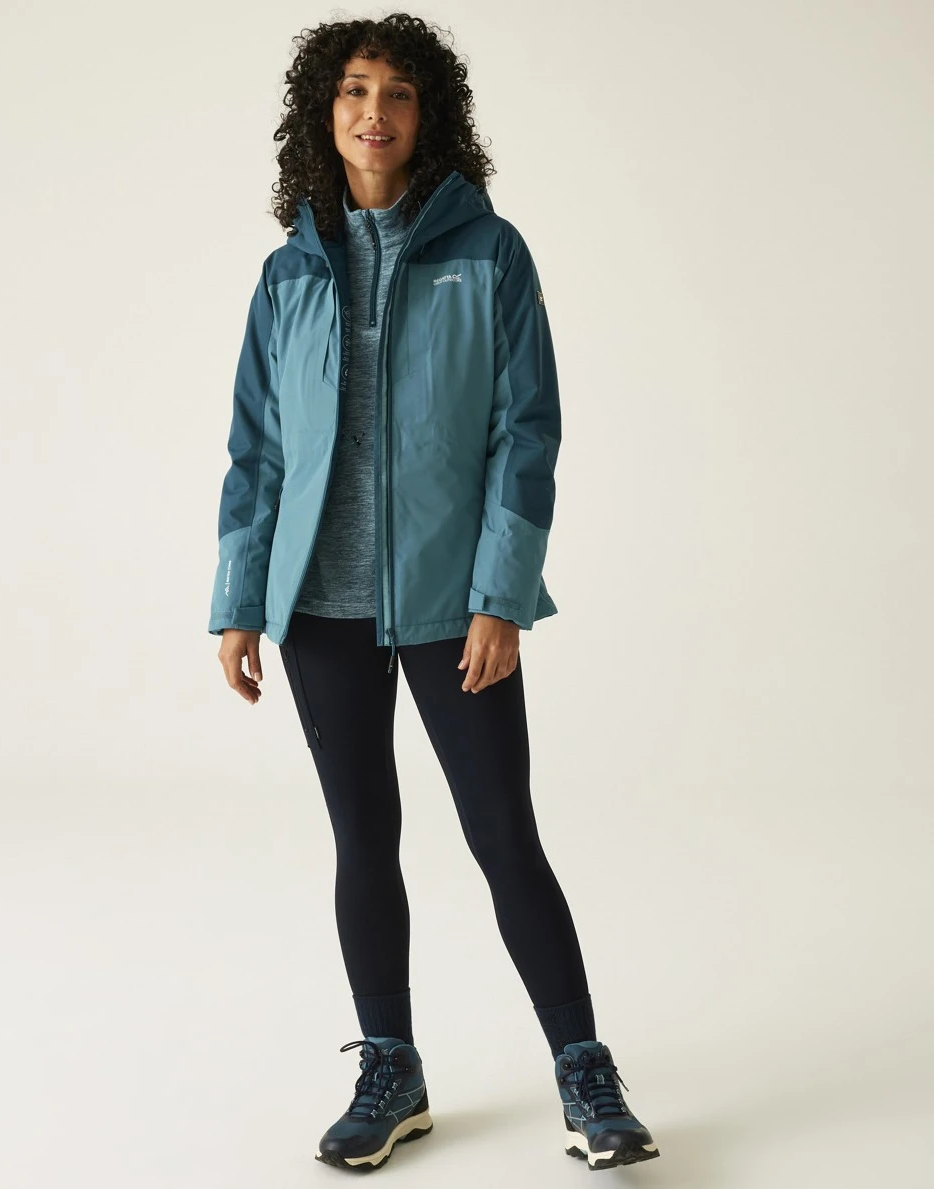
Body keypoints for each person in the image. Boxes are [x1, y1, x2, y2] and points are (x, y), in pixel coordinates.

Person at [208, 13, 659, 1176]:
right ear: (324, 112)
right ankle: (391, 1071)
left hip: (455, 606)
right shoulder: (288, 272)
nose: (374, 112)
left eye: (398, 93)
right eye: (354, 90)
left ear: (429, 116)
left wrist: (501, 593)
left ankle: (584, 1069)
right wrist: (238, 600)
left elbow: (526, 432)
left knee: (503, 833)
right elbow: (257, 451)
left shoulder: (488, 253)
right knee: (363, 836)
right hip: (318, 608)